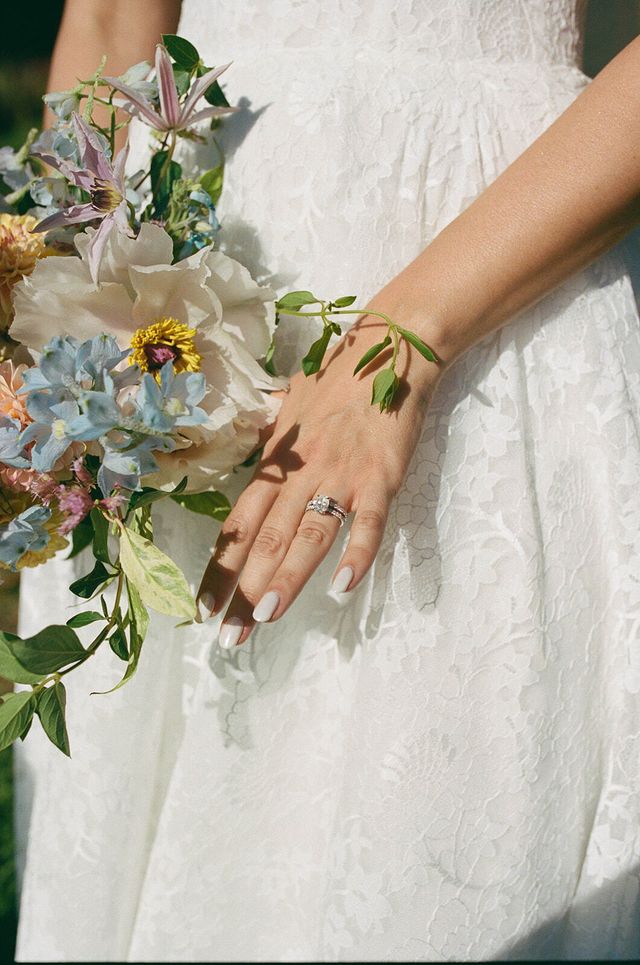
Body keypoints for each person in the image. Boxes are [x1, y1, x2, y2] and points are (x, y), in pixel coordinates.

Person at [13, 0, 640, 960]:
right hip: (176, 269)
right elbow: (107, 17)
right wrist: (42, 301)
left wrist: (400, 347)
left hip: (485, 252)